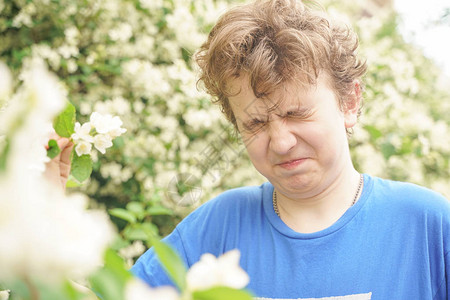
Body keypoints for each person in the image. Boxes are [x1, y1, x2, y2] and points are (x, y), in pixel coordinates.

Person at [49, 0, 450, 299]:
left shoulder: (428, 225)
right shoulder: (214, 229)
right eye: (255, 123)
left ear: (349, 101)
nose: (280, 141)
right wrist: (41, 214)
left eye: (296, 113)